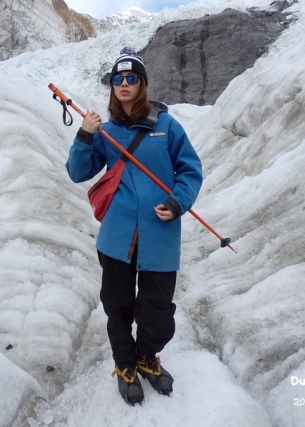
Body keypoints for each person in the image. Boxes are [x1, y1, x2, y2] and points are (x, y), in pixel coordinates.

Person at [66, 47, 203, 405]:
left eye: (131, 78)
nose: (123, 84)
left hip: (160, 234)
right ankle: (126, 365)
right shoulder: (106, 132)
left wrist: (178, 202)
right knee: (119, 307)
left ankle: (147, 356)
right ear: (111, 86)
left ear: (142, 84)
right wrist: (84, 135)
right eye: (117, 79)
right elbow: (78, 171)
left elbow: (190, 171)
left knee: (157, 312)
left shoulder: (167, 127)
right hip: (117, 237)